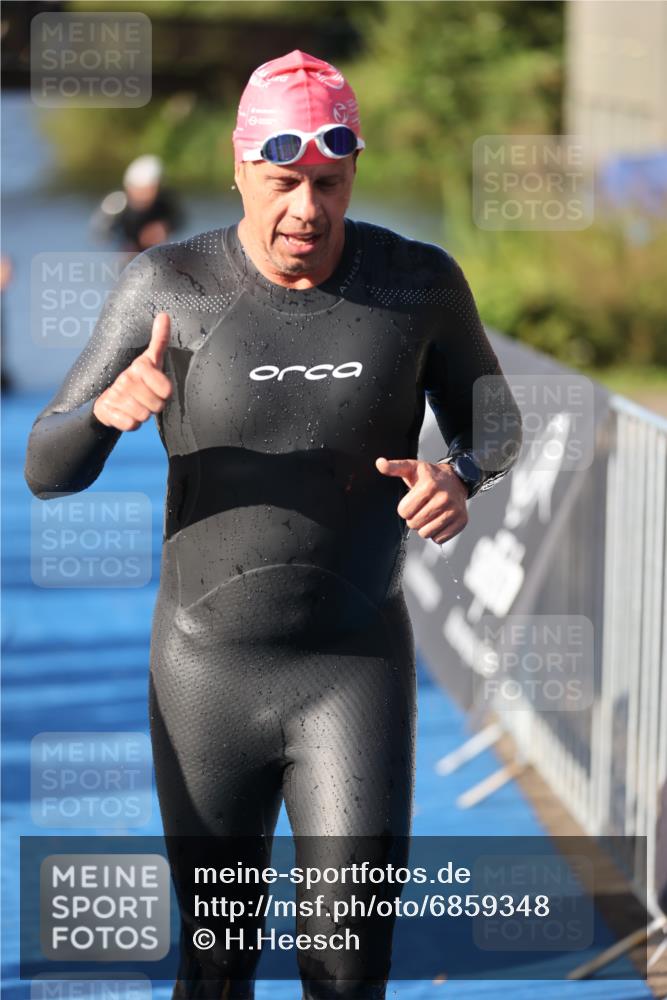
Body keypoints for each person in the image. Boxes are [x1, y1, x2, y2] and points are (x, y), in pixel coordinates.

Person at [25, 50, 523, 1000]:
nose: (307, 209)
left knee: (348, 967)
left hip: (353, 672)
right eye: (283, 181)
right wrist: (104, 415)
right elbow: (47, 469)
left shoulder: (414, 285)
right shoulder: (167, 285)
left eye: (328, 183)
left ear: (353, 172)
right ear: (240, 166)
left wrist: (458, 478)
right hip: (205, 674)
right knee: (217, 965)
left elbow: (494, 423)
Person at [90, 153, 183, 255]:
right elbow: (99, 233)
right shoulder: (116, 202)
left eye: (152, 189)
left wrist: (164, 228)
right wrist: (127, 245)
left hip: (156, 253)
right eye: (142, 190)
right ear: (130, 187)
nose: (147, 195)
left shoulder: (164, 200)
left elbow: (179, 221)